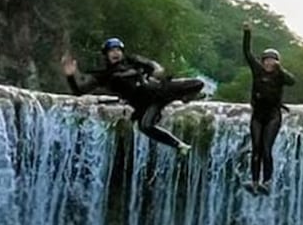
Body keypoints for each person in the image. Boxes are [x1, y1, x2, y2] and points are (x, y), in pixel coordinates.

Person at [62, 38, 203, 154]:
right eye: (111, 51)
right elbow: (79, 92)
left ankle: (184, 98)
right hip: (145, 104)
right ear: (106, 55)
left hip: (158, 91)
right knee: (145, 126)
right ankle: (179, 145)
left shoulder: (133, 61)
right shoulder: (104, 75)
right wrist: (70, 76)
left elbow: (153, 66)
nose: (115, 53)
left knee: (197, 83)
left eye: (118, 50)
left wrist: (157, 71)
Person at [241, 19, 295, 195]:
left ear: (277, 62)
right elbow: (247, 53)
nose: (268, 63)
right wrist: (247, 33)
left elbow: (292, 81)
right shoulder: (257, 70)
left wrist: (281, 69)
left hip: (273, 116)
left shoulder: (280, 75)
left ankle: (268, 181)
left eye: (272, 61)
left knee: (266, 149)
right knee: (255, 148)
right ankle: (255, 182)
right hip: (258, 115)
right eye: (266, 60)